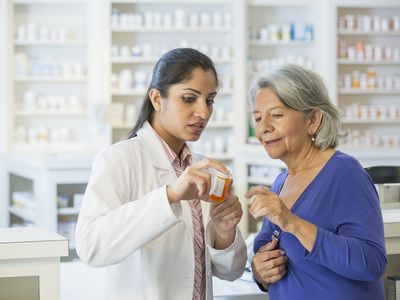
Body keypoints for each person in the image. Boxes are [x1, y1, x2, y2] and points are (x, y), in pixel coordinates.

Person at [75, 48, 246, 300]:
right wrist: (170, 196)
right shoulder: (120, 159)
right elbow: (91, 247)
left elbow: (230, 272)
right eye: (189, 98)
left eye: (209, 100)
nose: (204, 112)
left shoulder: (201, 169)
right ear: (157, 99)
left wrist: (224, 233)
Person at [247, 64, 387, 300]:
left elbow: (371, 262)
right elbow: (263, 254)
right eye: (258, 118)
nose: (264, 128)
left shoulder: (345, 173)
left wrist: (292, 222)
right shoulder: (281, 183)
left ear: (312, 120)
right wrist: (260, 272)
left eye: (277, 115)